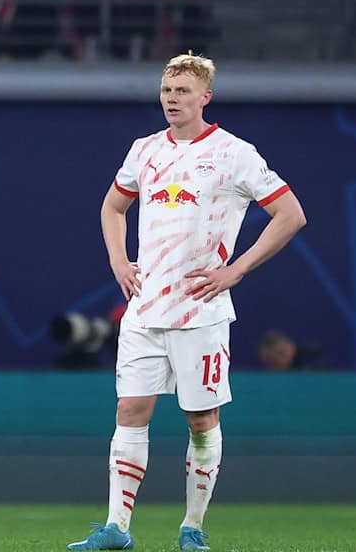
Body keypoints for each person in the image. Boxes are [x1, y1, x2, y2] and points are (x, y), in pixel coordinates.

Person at [67, 53, 306, 551]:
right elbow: (113, 205)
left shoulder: (234, 153)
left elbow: (290, 214)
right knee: (130, 410)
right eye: (167, 90)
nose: (172, 99)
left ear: (205, 97)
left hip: (201, 310)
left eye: (182, 91)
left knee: (201, 420)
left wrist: (234, 270)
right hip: (146, 306)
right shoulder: (144, 150)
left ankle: (192, 526)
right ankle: (117, 529)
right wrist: (118, 259)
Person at [256, 329, 322, 372]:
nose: (279, 361)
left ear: (291, 346)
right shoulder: (269, 378)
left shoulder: (313, 367)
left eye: (281, 353)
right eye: (270, 361)